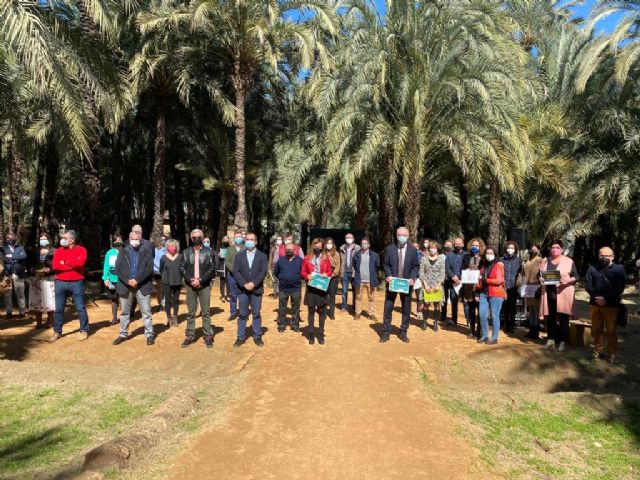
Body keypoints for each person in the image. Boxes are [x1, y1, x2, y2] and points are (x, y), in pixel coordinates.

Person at [112, 231, 155, 346]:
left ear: (140, 240)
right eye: (133, 239)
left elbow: (149, 269)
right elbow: (118, 269)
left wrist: (137, 280)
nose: (135, 241)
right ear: (129, 239)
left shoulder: (146, 252)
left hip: (142, 286)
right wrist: (128, 281)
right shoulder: (122, 252)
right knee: (125, 312)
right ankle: (122, 334)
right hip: (126, 286)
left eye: (137, 239)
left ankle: (149, 334)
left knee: (146, 312)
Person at [585, 247, 626, 365]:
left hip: (612, 306)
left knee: (611, 331)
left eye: (607, 255)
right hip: (595, 304)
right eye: (602, 255)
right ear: (598, 256)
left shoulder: (619, 270)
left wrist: (606, 299)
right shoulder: (592, 269)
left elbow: (620, 287)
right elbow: (588, 285)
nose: (604, 257)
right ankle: (597, 351)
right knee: (596, 329)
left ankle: (612, 354)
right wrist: (597, 297)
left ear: (613, 257)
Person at [381, 226, 420, 343]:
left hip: (406, 284)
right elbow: (386, 264)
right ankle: (386, 332)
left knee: (406, 309)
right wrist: (388, 275)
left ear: (408, 236)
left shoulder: (413, 250)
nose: (401, 237)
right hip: (393, 283)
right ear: (396, 235)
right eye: (399, 235)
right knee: (388, 308)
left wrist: (413, 278)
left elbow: (416, 266)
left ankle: (403, 332)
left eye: (404, 235)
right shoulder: (390, 249)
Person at [539, 240, 578, 352]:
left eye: (557, 247)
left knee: (563, 319)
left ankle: (562, 341)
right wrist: (540, 278)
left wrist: (568, 281)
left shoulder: (569, 261)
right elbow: (539, 274)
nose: (554, 249)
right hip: (549, 293)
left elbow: (576, 276)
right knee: (550, 318)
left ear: (561, 249)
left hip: (563, 293)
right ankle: (551, 339)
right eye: (552, 247)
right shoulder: (545, 261)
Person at [51, 230, 90, 340]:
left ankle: (84, 330)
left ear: (72, 240)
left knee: (80, 307)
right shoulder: (58, 251)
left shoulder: (81, 250)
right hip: (60, 282)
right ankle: (57, 331)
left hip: (77, 282)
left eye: (65, 238)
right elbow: (55, 266)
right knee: (59, 309)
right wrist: (71, 264)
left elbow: (80, 263)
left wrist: (65, 262)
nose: (62, 240)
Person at [180, 229, 216, 348]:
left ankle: (208, 335)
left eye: (198, 237)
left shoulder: (209, 252)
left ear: (202, 237)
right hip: (190, 285)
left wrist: (200, 280)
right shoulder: (185, 252)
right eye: (194, 237)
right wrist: (191, 280)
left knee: (205, 311)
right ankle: (190, 335)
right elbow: (182, 268)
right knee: (191, 312)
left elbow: (211, 268)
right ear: (191, 239)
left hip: (204, 285)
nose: (196, 239)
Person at [233, 233, 268, 347]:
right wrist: (244, 284)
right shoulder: (239, 256)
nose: (249, 241)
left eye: (251, 239)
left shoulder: (262, 256)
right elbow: (236, 271)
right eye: (247, 239)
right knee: (242, 314)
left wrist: (254, 283)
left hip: (256, 290)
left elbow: (263, 272)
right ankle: (240, 337)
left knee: (256, 314)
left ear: (256, 242)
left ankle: (257, 336)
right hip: (242, 290)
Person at [302, 238, 332, 344]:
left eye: (319, 246)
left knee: (322, 311)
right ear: (312, 246)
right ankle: (310, 334)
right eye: (315, 246)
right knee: (311, 311)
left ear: (322, 247)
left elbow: (329, 271)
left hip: (322, 288)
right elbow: (303, 272)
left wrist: (326, 274)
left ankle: (320, 334)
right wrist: (307, 276)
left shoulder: (325, 258)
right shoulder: (307, 258)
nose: (317, 248)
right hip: (311, 288)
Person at [477, 246, 506, 345]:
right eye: (487, 253)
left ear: (495, 254)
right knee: (482, 315)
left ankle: (494, 338)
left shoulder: (498, 265)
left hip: (496, 293)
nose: (489, 255)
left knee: (494, 315)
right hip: (484, 293)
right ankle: (485, 335)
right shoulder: (483, 265)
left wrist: (486, 280)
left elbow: (499, 280)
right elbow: (479, 278)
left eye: (491, 253)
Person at [27, 233, 56, 328]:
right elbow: (29, 263)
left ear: (49, 240)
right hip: (36, 279)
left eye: (45, 239)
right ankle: (38, 321)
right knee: (36, 300)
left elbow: (57, 265)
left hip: (49, 279)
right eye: (41, 239)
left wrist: (50, 269)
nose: (43, 241)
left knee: (49, 299)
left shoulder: (54, 251)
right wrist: (30, 269)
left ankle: (50, 320)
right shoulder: (35, 251)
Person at [274, 242, 304, 332]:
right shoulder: (281, 260)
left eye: (291, 249)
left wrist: (296, 278)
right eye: (287, 249)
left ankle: (294, 324)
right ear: (285, 250)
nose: (289, 251)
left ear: (294, 250)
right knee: (282, 307)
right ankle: (281, 325)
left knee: (295, 307)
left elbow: (303, 273)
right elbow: (276, 272)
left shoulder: (300, 260)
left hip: (296, 287)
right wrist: (284, 278)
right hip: (283, 288)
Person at [419, 242, 446, 331]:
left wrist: (438, 285)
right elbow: (421, 272)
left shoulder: (441, 259)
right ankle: (424, 321)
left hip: (437, 285)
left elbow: (442, 273)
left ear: (437, 248)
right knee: (426, 304)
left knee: (437, 304)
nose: (432, 249)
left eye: (434, 247)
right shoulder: (424, 259)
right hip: (426, 284)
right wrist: (425, 284)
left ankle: (435, 322)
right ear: (428, 248)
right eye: (431, 247)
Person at [462, 238, 484, 339]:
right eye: (473, 245)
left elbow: (485, 271)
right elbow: (461, 269)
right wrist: (465, 270)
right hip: (468, 288)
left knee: (479, 310)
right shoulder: (466, 257)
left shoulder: (483, 259)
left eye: (477, 245)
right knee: (471, 310)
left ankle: (478, 331)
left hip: (479, 288)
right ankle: (471, 331)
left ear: (480, 247)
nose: (475, 247)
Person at [353, 237, 380, 321]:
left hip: (370, 280)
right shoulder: (356, 254)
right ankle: (357, 313)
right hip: (359, 280)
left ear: (369, 245)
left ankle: (371, 314)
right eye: (362, 243)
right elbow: (354, 264)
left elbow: (377, 265)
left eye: (365, 243)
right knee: (358, 297)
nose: (364, 245)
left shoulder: (374, 255)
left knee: (371, 298)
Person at [2, 232, 27, 318]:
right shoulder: (3, 248)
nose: (9, 239)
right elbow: (4, 258)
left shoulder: (20, 248)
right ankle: (9, 312)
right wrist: (16, 257)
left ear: (15, 238)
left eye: (10, 237)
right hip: (6, 273)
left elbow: (24, 256)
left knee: (20, 293)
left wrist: (11, 256)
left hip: (18, 273)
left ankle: (22, 312)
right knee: (7, 293)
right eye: (7, 238)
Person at [500, 240, 523, 333]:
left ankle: (512, 325)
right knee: (505, 306)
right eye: (509, 248)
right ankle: (506, 324)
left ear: (515, 250)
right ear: (505, 249)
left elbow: (522, 273)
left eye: (512, 248)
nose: (510, 250)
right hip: (503, 286)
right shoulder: (501, 259)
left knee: (513, 306)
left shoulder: (519, 260)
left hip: (514, 287)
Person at [160, 239, 182, 327]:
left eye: (173, 245)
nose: (172, 247)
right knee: (168, 300)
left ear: (176, 247)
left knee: (176, 300)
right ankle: (169, 318)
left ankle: (175, 317)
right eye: (170, 245)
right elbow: (161, 269)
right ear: (167, 247)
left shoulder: (180, 257)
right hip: (166, 282)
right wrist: (164, 277)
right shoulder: (163, 257)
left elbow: (183, 268)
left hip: (177, 281)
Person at [102, 234, 123, 325]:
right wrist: (105, 278)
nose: (118, 242)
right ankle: (114, 318)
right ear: (113, 242)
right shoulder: (109, 253)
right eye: (116, 241)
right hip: (112, 279)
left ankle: (125, 317)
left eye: (120, 240)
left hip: (123, 279)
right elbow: (106, 266)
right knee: (114, 299)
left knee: (123, 299)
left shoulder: (125, 252)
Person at [444, 237, 465, 326]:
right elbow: (447, 268)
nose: (457, 245)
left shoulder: (466, 255)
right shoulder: (449, 255)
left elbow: (466, 267)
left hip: (464, 282)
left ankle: (468, 320)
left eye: (459, 244)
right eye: (456, 244)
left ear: (463, 244)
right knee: (453, 300)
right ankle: (454, 319)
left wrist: (459, 277)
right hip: (453, 282)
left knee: (466, 302)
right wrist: (453, 277)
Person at [523, 244, 543, 339]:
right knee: (530, 309)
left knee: (536, 309)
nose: (533, 249)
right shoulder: (527, 261)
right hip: (528, 287)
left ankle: (536, 330)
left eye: (536, 248)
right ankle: (531, 329)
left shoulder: (540, 260)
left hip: (536, 286)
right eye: (532, 247)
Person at [225, 231, 245, 321]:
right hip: (232, 275)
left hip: (243, 276)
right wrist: (233, 270)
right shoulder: (230, 249)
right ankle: (233, 313)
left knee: (242, 295)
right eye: (236, 237)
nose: (238, 238)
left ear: (242, 238)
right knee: (233, 295)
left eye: (239, 237)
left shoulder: (245, 248)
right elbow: (227, 261)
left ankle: (242, 313)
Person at [339, 233, 360, 313]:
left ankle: (355, 307)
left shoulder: (358, 248)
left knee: (355, 291)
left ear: (353, 239)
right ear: (345, 239)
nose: (349, 239)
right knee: (344, 291)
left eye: (350, 237)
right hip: (345, 272)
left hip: (354, 272)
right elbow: (341, 260)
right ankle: (344, 307)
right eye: (347, 237)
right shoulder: (342, 248)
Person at [324, 237, 342, 320]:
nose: (329, 245)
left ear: (333, 244)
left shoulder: (336, 253)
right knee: (324, 294)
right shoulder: (322, 253)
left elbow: (338, 265)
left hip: (334, 277)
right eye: (328, 243)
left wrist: (333, 274)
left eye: (330, 243)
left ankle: (331, 313)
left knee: (332, 295)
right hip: (324, 276)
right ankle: (323, 312)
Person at [153, 235, 167, 309]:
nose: (163, 241)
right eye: (162, 240)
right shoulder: (154, 250)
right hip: (157, 272)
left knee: (165, 288)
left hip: (165, 272)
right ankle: (160, 303)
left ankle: (164, 303)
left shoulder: (166, 250)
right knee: (160, 288)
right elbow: (154, 261)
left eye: (164, 240)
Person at [413, 241, 426, 318]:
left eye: (416, 247)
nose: (415, 248)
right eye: (413, 246)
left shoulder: (422, 255)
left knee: (420, 296)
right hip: (411, 278)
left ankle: (419, 311)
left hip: (419, 278)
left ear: (418, 247)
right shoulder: (408, 255)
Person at [217, 236, 231, 302]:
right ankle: (222, 296)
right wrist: (218, 255)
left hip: (229, 267)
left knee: (229, 282)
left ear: (229, 240)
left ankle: (228, 296)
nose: (225, 240)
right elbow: (216, 257)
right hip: (222, 266)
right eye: (224, 239)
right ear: (222, 240)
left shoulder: (231, 248)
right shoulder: (220, 248)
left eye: (227, 239)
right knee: (222, 282)